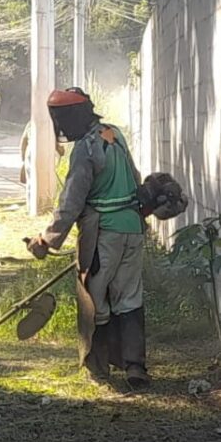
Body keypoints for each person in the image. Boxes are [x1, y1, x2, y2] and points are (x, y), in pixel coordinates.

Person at [25, 87, 150, 388]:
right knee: (129, 297)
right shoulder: (114, 133)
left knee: (95, 300)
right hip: (133, 228)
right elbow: (134, 178)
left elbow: (71, 202)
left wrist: (46, 240)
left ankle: (98, 368)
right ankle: (135, 367)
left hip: (104, 235)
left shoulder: (85, 148)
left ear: (71, 117)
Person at [19, 121, 65, 207]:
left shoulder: (31, 123)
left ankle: (31, 205)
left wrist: (23, 160)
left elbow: (23, 143)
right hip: (46, 153)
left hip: (31, 151)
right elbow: (59, 146)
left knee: (30, 182)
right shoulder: (54, 123)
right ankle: (47, 204)